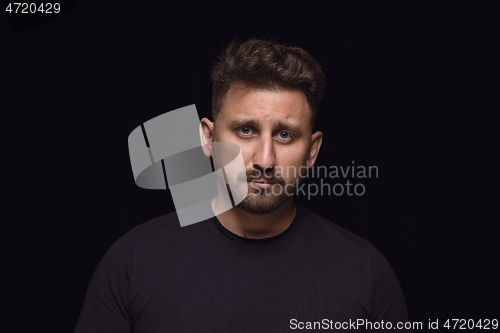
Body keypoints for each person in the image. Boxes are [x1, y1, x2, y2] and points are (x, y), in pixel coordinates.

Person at [74, 38, 411, 332]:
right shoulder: (133, 261)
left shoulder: (365, 273)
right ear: (207, 138)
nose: (265, 160)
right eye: (246, 130)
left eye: (284, 134)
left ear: (312, 151)